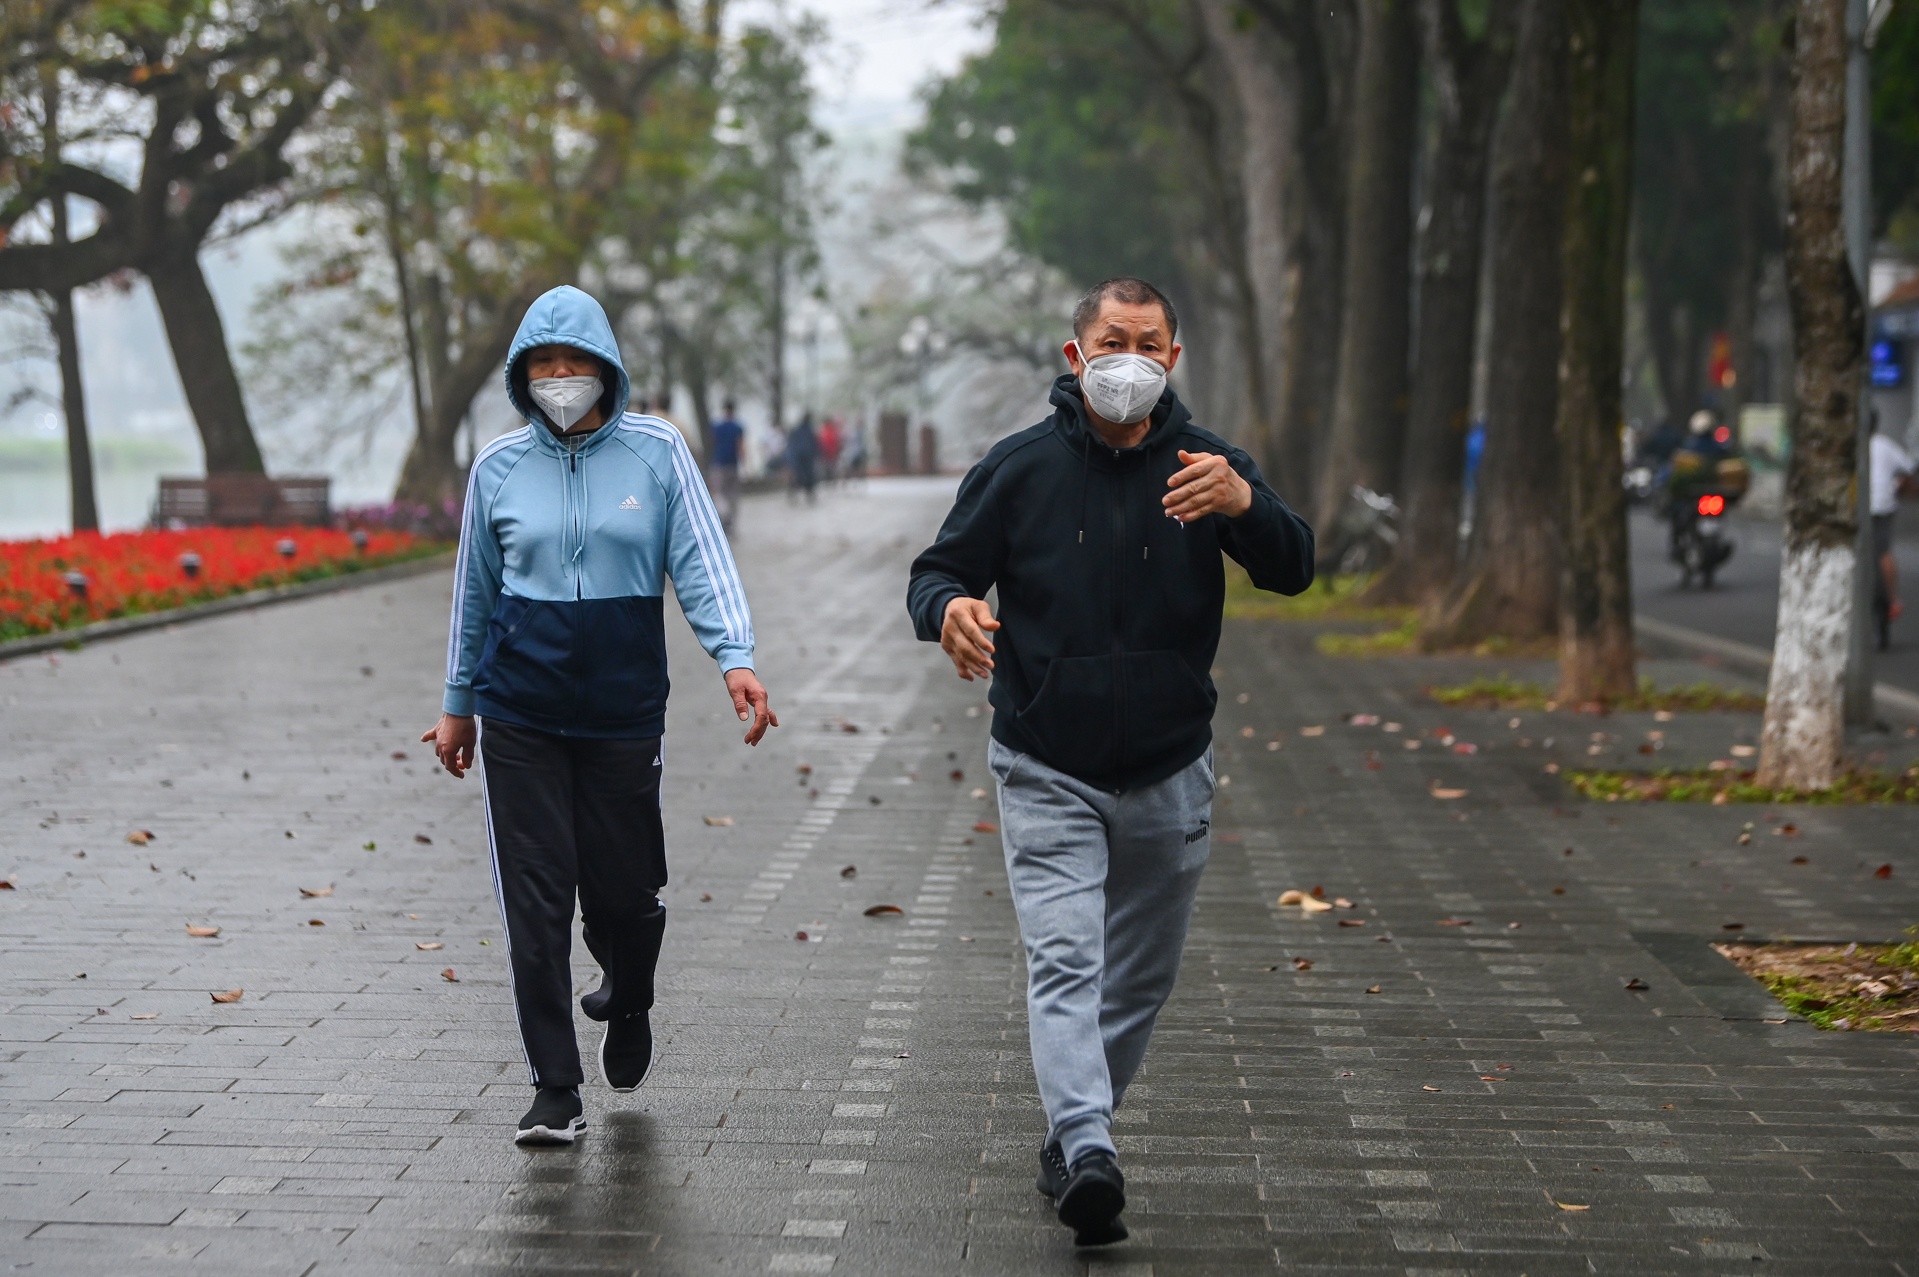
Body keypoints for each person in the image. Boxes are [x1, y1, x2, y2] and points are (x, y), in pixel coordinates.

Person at [906, 277, 1314, 1246]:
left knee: (1135, 979)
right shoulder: (1017, 470)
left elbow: (1296, 564)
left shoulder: (1207, 468)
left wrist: (1246, 503)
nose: (1127, 357)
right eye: (1109, 339)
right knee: (1064, 959)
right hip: (1046, 760)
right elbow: (938, 568)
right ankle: (1088, 1147)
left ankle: (1068, 1131)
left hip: (1171, 767)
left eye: (1147, 341)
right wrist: (948, 611)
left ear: (1171, 358)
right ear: (1073, 353)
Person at [422, 285, 778, 1148]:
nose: (560, 379)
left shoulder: (656, 452)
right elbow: (473, 591)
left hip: (622, 712)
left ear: (606, 369)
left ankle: (630, 988)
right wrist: (456, 705)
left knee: (624, 891)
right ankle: (554, 1085)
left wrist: (734, 657)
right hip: (520, 715)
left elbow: (700, 555)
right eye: (543, 366)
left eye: (574, 363)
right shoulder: (498, 469)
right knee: (535, 903)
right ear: (521, 377)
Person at [1870, 412, 1917, 631]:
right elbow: (1908, 468)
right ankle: (1893, 598)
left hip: (1857, 509)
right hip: (1882, 506)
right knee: (1884, 551)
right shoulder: (1885, 445)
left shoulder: (1848, 446)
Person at [710, 399, 746, 534]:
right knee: (733, 496)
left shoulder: (716, 426)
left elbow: (713, 443)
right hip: (733, 464)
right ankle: (731, 522)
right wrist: (745, 464)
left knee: (719, 493)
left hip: (719, 464)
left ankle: (724, 517)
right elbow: (740, 446)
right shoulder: (738, 427)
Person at [786, 413, 820, 504]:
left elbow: (791, 445)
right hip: (805, 458)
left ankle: (798, 493)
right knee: (806, 477)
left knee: (800, 476)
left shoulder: (797, 430)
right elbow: (814, 445)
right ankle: (808, 493)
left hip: (800, 458)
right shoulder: (808, 431)